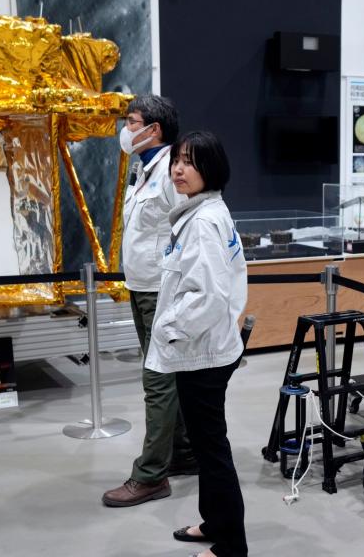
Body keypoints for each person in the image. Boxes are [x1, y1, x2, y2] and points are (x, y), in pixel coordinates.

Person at [144, 131, 248, 557]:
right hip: (205, 348)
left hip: (201, 352)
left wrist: (169, 330)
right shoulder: (204, 212)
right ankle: (215, 522)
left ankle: (230, 545)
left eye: (190, 161)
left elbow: (207, 296)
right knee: (208, 448)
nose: (178, 169)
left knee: (212, 449)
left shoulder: (203, 222)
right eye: (176, 161)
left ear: (211, 168)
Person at [102, 96, 198, 508]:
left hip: (162, 289)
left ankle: (151, 475)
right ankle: (183, 452)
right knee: (166, 376)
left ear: (153, 128)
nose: (126, 129)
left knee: (157, 382)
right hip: (142, 286)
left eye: (132, 121)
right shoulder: (146, 170)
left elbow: (189, 229)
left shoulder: (171, 173)